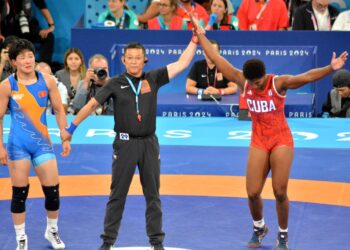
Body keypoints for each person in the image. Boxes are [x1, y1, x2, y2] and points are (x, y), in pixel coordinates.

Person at [191, 16, 348, 250]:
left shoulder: (278, 83)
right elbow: (216, 58)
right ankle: (259, 227)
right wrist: (200, 33)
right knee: (253, 193)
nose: (254, 87)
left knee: (279, 191)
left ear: (263, 76)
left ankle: (283, 235)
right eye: (252, 84)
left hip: (280, 138)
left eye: (258, 82)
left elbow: (305, 77)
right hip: (258, 139)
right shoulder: (243, 81)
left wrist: (330, 68)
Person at [61, 37, 198, 250]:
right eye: (130, 58)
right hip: (124, 145)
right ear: (123, 60)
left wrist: (194, 41)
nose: (134, 62)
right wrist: (71, 128)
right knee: (117, 195)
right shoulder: (115, 83)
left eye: (138, 58)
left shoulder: (153, 78)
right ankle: (107, 242)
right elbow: (91, 105)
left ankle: (156, 242)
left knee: (153, 195)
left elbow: (181, 64)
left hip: (149, 144)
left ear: (145, 60)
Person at [0, 39, 71, 250]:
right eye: (21, 57)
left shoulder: (48, 81)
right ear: (14, 62)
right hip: (17, 146)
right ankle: (21, 238)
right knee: (19, 194)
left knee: (53, 191)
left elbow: (59, 110)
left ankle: (52, 230)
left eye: (30, 55)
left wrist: (64, 136)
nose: (27, 60)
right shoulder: (7, 86)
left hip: (42, 144)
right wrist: (0, 147)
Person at [0, 0, 56, 65]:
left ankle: (43, 67)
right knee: (6, 42)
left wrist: (51, 26)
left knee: (49, 36)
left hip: (28, 26)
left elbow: (42, 6)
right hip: (10, 29)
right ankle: (8, 69)